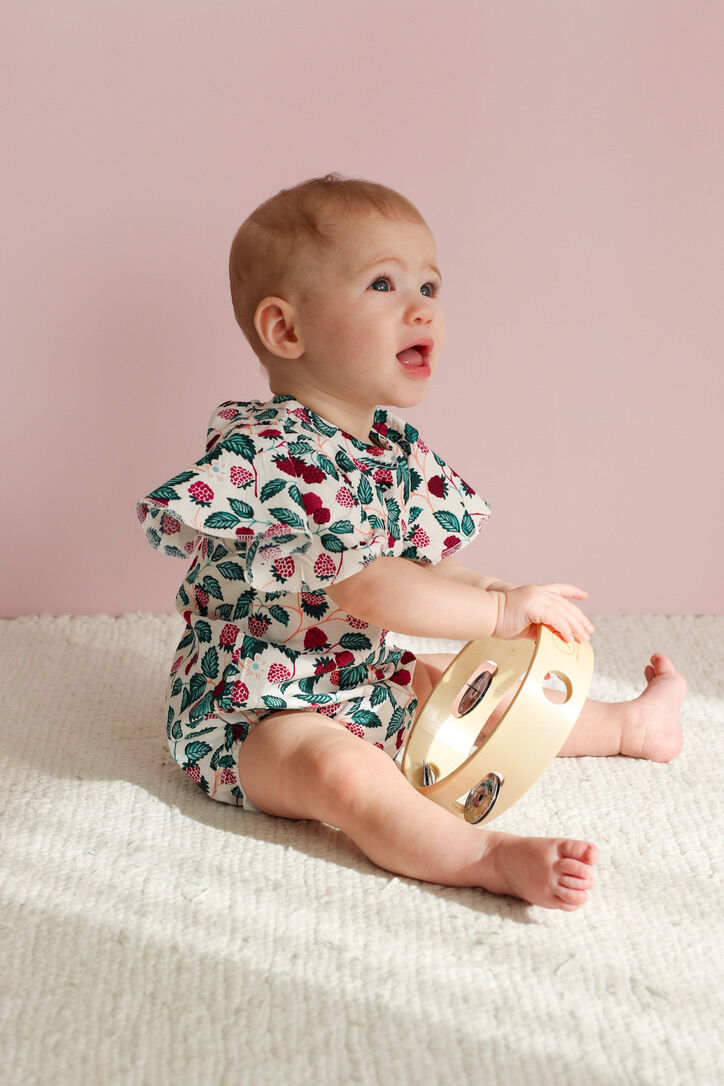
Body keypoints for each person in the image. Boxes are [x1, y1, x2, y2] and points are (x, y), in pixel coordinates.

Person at [137, 172, 686, 911]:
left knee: (467, 690)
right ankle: (483, 856)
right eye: (385, 285)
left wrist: (490, 592)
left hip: (359, 673)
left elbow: (421, 568)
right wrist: (498, 616)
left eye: (430, 287)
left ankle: (628, 726)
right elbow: (368, 584)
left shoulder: (389, 448)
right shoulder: (276, 453)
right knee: (343, 772)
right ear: (287, 331)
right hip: (257, 708)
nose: (421, 308)